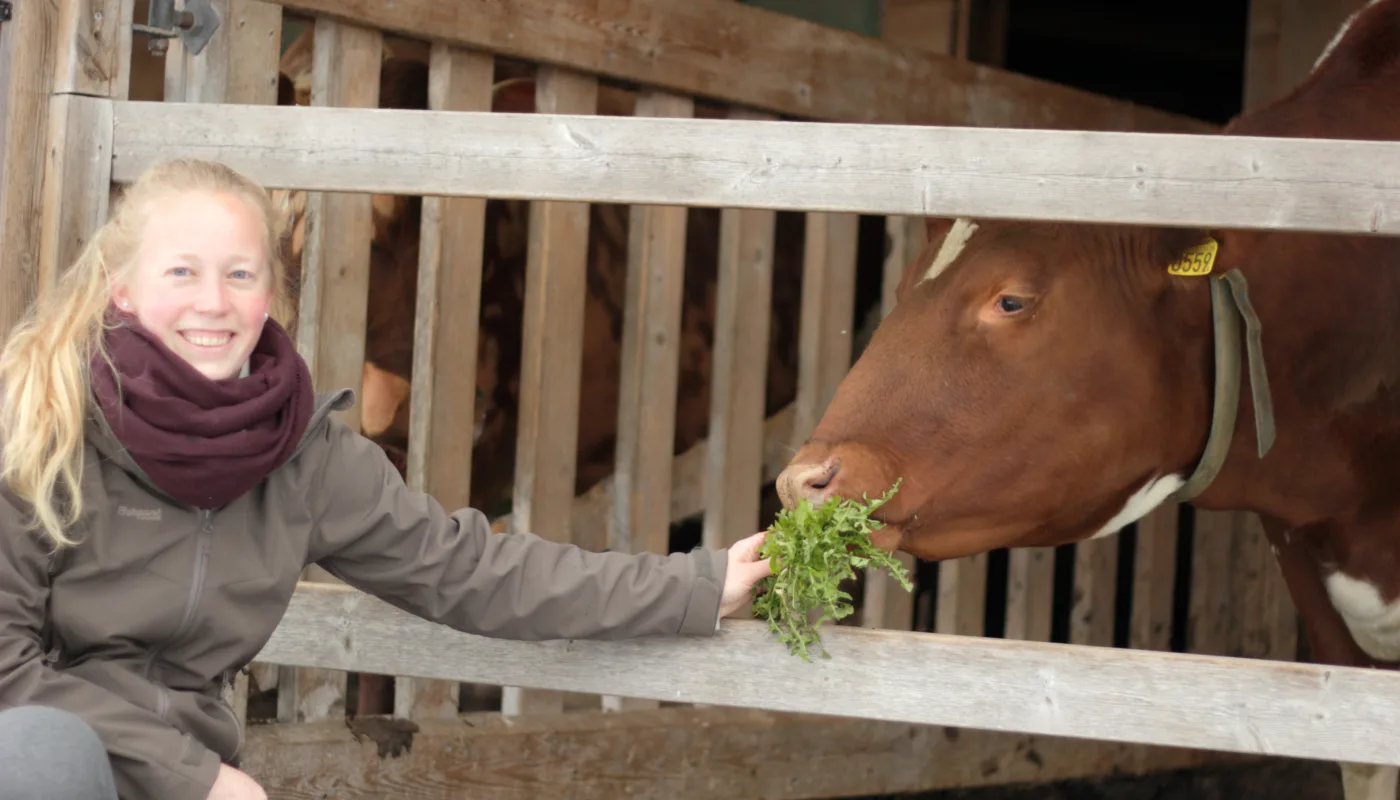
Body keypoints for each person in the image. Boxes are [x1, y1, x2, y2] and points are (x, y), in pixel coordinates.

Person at [0, 158, 773, 800]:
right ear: (123, 289)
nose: (213, 302)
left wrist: (696, 586)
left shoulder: (302, 459)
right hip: (52, 770)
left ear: (272, 296)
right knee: (41, 753)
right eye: (182, 271)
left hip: (194, 780)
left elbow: (472, 571)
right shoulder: (41, 426)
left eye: (240, 274)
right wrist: (194, 777)